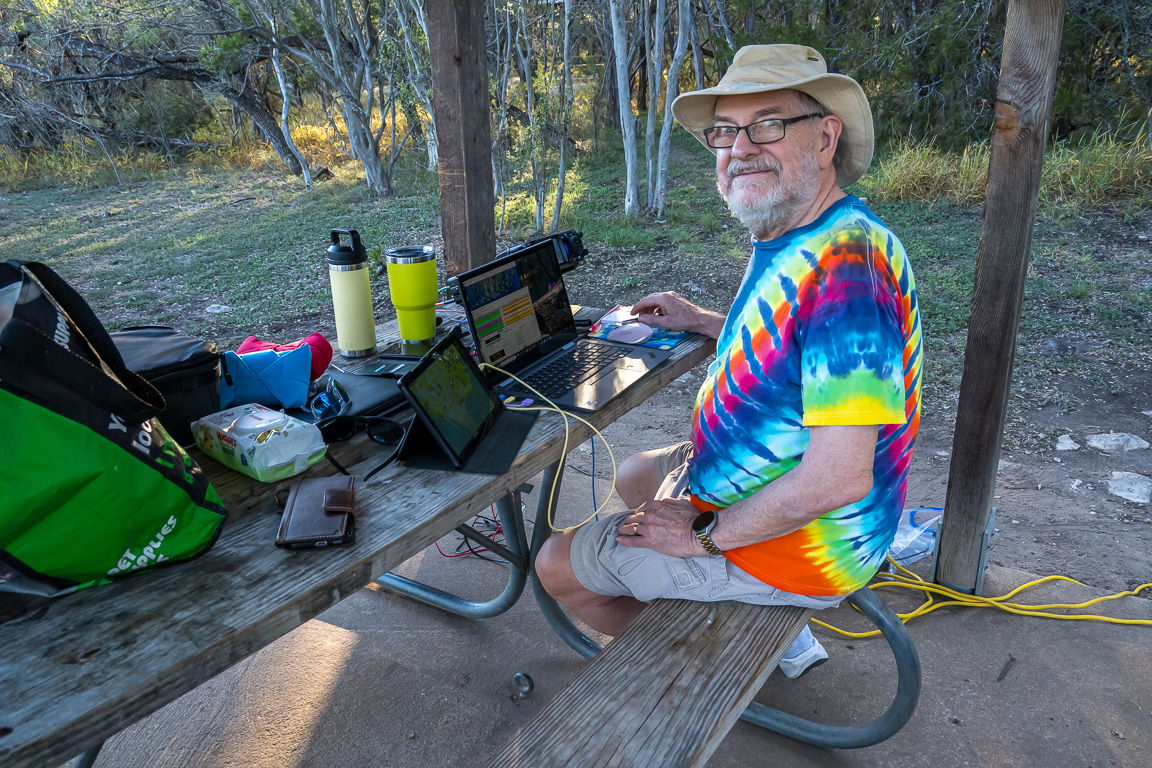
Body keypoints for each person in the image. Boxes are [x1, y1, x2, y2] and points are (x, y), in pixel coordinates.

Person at [534, 44, 923, 678]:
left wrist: (701, 535)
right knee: (635, 473)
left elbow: (838, 478)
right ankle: (735, 621)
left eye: (768, 124)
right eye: (724, 131)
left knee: (555, 564)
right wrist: (705, 322)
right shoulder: (799, 227)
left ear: (825, 139)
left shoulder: (847, 267)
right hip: (753, 486)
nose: (739, 148)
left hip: (805, 544)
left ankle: (711, 660)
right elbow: (798, 353)